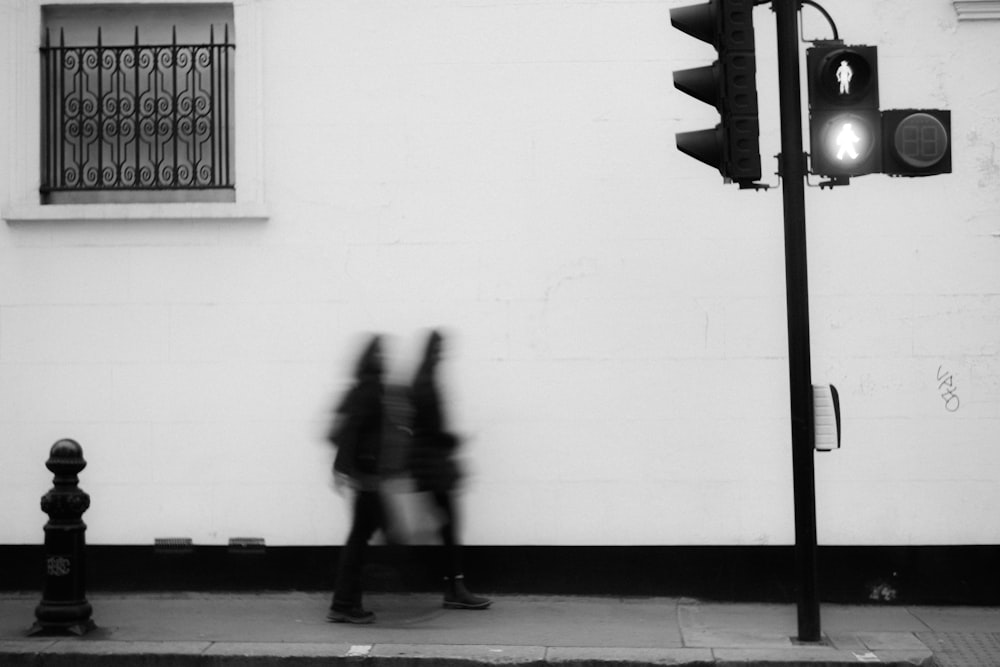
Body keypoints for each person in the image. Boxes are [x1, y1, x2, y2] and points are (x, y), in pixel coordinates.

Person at [408, 330, 491, 610]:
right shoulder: (427, 384)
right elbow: (433, 431)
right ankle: (456, 588)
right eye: (441, 350)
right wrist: (456, 440)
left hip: (427, 466)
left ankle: (454, 586)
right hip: (433, 467)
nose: (443, 355)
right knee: (450, 527)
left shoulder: (421, 380)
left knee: (446, 527)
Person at [326, 335, 388, 624]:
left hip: (366, 475)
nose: (385, 358)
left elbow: (345, 431)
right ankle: (344, 604)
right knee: (359, 540)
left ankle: (347, 603)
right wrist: (346, 469)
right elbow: (353, 431)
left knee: (360, 537)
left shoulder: (366, 387)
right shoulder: (370, 390)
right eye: (381, 354)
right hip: (367, 476)